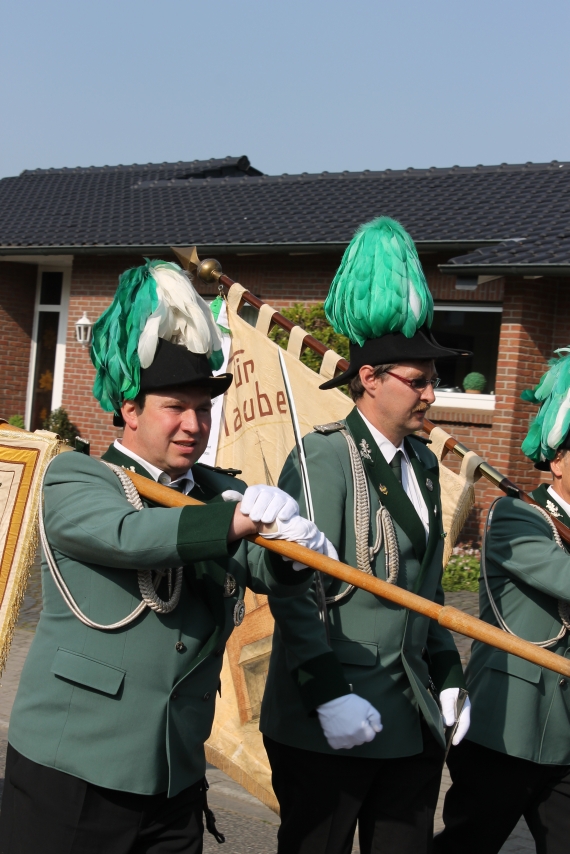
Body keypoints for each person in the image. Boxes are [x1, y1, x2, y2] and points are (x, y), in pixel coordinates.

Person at [0, 259, 333, 854]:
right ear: (130, 409)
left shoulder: (218, 491)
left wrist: (296, 548)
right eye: (175, 407)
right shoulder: (78, 477)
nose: (193, 425)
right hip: (76, 765)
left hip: (174, 770)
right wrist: (233, 520)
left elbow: (264, 571)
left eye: (203, 409)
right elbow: (128, 534)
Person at [259, 217, 471, 854]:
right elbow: (295, 590)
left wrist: (447, 672)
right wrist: (327, 695)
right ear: (371, 378)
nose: (431, 394)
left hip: (410, 714)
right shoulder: (324, 456)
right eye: (418, 380)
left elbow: (425, 588)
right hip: (333, 717)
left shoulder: (425, 463)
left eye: (433, 380)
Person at [434, 347, 570, 854]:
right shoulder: (518, 516)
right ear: (556, 458)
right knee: (468, 846)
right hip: (505, 725)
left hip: (564, 736)